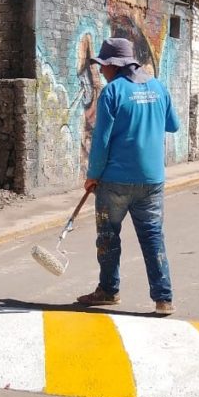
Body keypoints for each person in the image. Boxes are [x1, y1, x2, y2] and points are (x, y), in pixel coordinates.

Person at [76, 37, 180, 316]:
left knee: (108, 237)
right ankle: (163, 298)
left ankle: (108, 291)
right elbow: (173, 125)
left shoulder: (112, 92)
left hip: (115, 181)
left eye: (103, 65)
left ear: (115, 65)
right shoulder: (159, 87)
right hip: (152, 181)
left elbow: (101, 141)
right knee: (153, 237)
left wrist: (92, 175)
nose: (101, 70)